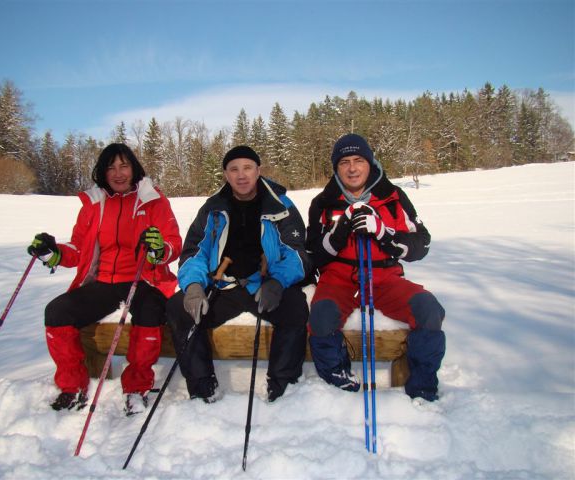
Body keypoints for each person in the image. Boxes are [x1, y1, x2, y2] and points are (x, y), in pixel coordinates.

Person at [27, 143, 182, 414]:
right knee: (57, 311)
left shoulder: (152, 199)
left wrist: (159, 249)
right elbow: (77, 249)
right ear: (102, 172)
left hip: (143, 279)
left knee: (149, 312)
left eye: (124, 166)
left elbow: (172, 243)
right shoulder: (94, 204)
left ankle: (136, 387)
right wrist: (52, 253)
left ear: (134, 168)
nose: (118, 173)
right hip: (104, 283)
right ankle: (72, 386)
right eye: (111, 167)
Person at [306, 133, 445, 401]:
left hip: (384, 277)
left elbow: (421, 245)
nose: (352, 168)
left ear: (370, 162)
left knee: (429, 310)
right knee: (321, 318)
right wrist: (337, 234)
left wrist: (385, 234)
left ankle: (422, 389)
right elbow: (312, 255)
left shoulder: (392, 196)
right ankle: (339, 383)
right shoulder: (323, 203)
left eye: (359, 160)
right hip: (338, 279)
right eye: (344, 162)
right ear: (336, 167)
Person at [166, 145, 311, 403]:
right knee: (179, 308)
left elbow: (297, 252)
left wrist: (278, 282)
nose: (241, 175)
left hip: (264, 285)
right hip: (224, 286)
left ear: (258, 171)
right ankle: (202, 386)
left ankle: (282, 383)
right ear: (225, 174)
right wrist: (194, 286)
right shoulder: (212, 208)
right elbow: (193, 252)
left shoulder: (281, 204)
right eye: (234, 169)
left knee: (295, 307)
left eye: (247, 168)